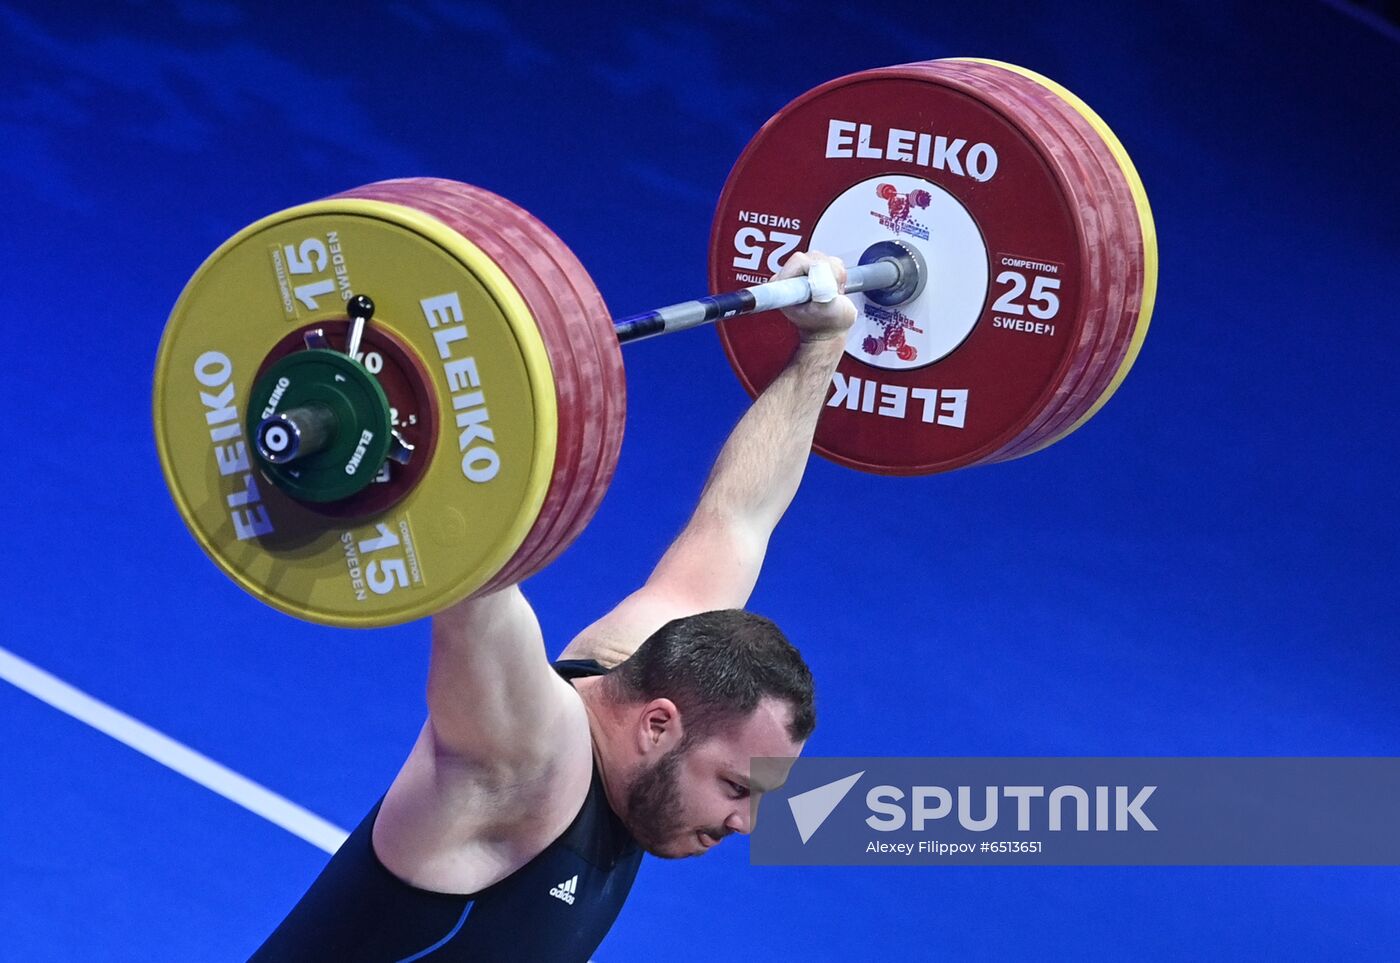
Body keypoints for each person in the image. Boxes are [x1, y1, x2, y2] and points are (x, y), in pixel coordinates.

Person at [251, 252, 858, 961]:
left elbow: (738, 519)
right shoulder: (520, 761)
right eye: (735, 785)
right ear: (658, 725)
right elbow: (476, 590)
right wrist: (402, 452)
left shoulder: (655, 669)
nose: (747, 822)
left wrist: (823, 343)